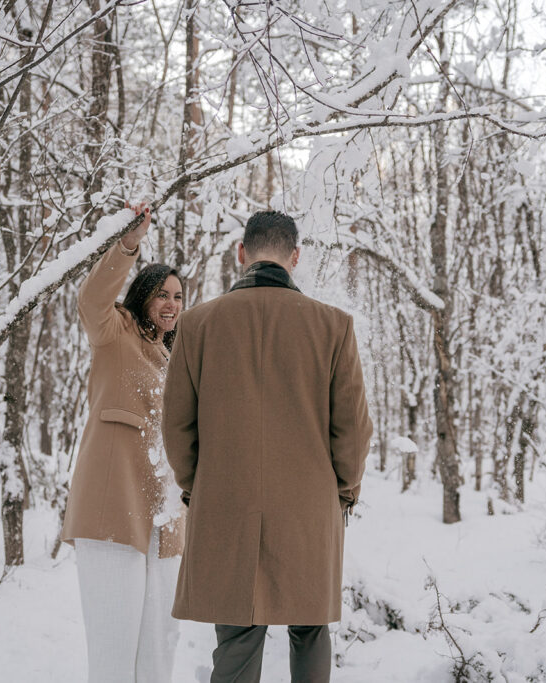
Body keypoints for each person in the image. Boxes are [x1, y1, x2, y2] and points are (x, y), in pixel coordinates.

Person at [162, 210, 373, 683]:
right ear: (295, 257)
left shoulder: (196, 325)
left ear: (241, 253)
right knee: (310, 631)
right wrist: (342, 493)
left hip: (226, 502)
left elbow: (176, 426)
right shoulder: (333, 326)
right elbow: (354, 431)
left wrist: (199, 486)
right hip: (309, 506)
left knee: (236, 637)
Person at [61, 202, 186, 683]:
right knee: (115, 652)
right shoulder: (115, 331)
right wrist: (128, 245)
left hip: (165, 515)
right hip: (114, 507)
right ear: (142, 295)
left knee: (160, 646)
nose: (172, 303)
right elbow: (92, 298)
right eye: (162, 293)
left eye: (178, 295)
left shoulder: (176, 356)